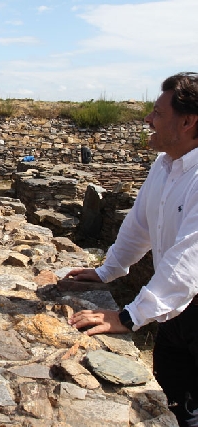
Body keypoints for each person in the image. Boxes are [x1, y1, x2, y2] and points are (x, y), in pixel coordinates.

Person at [67, 72, 198, 427]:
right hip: (175, 308)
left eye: (157, 113)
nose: (147, 120)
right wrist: (108, 270)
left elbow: (189, 259)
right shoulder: (165, 164)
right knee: (173, 398)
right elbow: (140, 223)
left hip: (188, 299)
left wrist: (128, 316)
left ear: (187, 121)